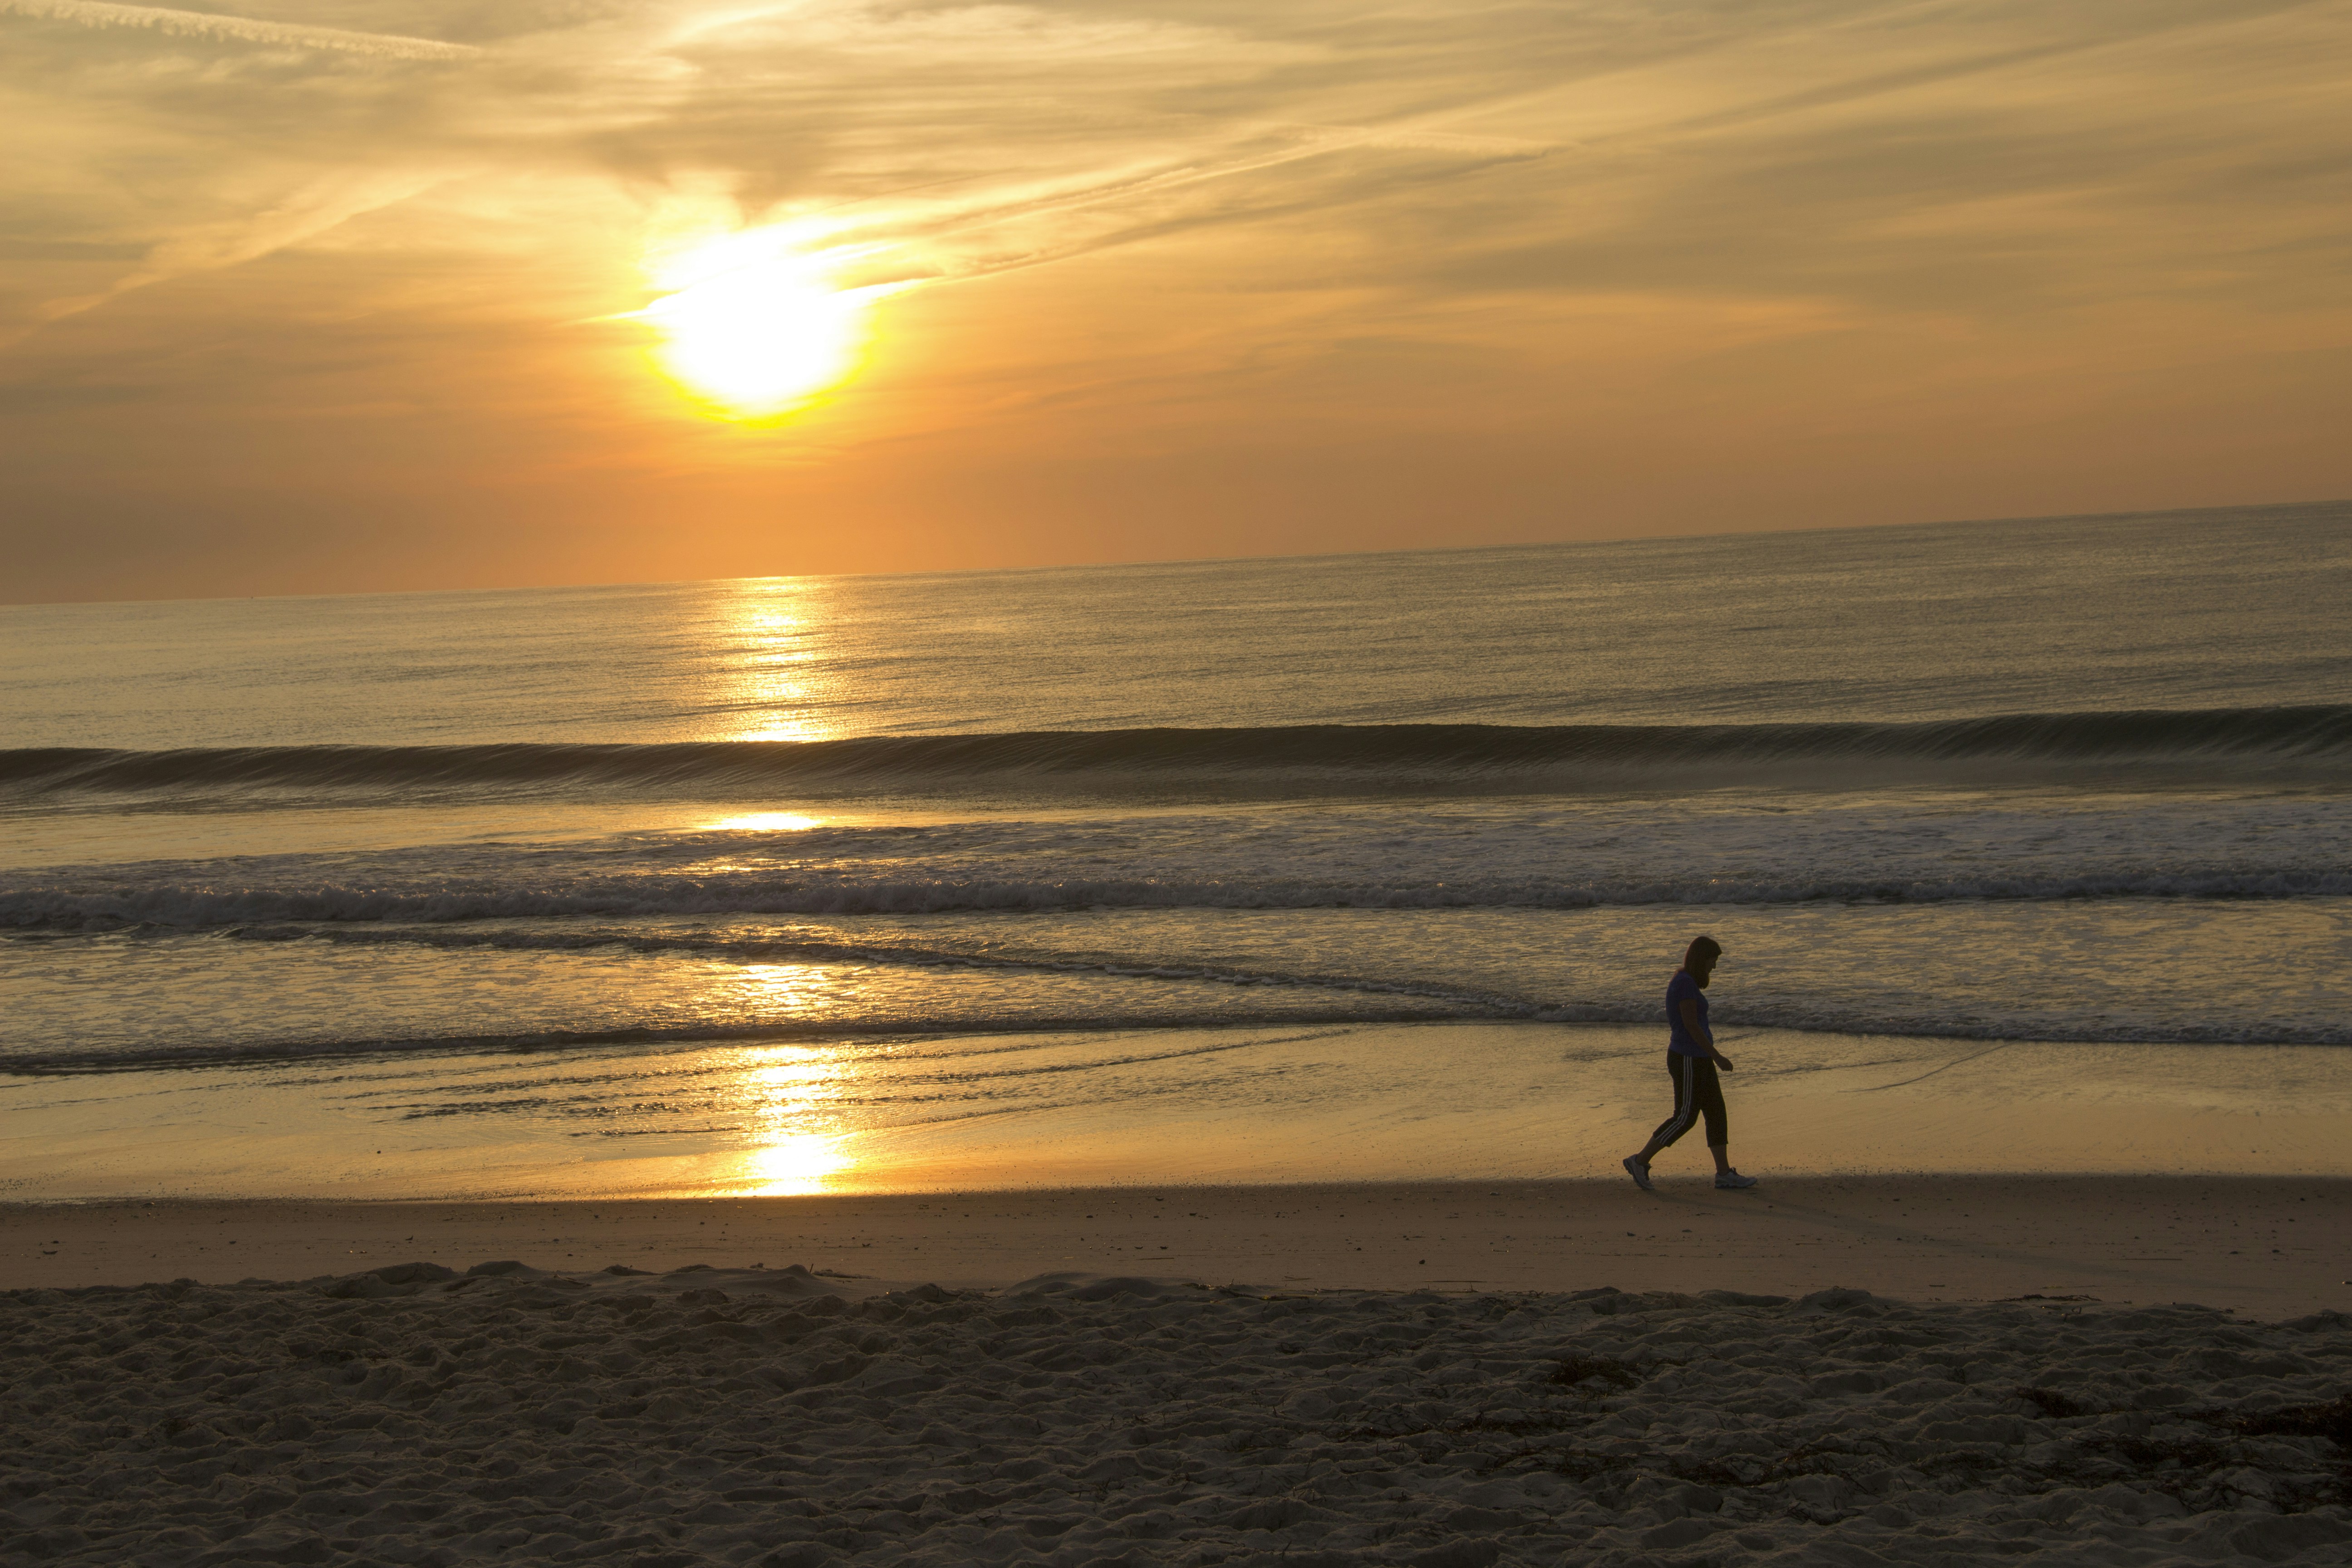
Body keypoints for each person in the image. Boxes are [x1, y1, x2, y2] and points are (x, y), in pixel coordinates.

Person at [1623, 936, 1757, 1191]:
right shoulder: (1684, 983)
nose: (1714, 967)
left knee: (1716, 1113)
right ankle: (1639, 1161)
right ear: (1701, 958)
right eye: (1713, 960)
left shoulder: (1689, 983)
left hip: (1699, 1059)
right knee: (1685, 1117)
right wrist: (1717, 1056)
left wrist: (1710, 1057)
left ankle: (1724, 1174)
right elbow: (1691, 1026)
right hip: (1687, 1058)